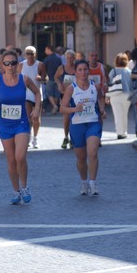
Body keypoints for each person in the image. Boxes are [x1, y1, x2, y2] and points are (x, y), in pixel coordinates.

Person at [0, 50, 41, 204]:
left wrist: (37, 109)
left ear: (18, 64)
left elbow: (37, 93)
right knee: (11, 160)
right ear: (2, 65)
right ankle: (16, 191)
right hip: (5, 125)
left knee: (20, 157)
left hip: (21, 123)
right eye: (7, 63)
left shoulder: (24, 79)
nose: (10, 66)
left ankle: (24, 187)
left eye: (13, 63)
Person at [59, 60, 106, 196]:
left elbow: (101, 98)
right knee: (81, 157)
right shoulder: (71, 88)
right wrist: (75, 109)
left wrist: (102, 109)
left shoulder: (95, 87)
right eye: (80, 69)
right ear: (75, 72)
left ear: (88, 71)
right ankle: (84, 181)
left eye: (85, 69)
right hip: (77, 125)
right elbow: (62, 108)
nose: (83, 72)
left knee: (92, 152)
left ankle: (93, 182)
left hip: (93, 123)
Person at [18, 46, 46, 149]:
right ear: (25, 54)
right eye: (28, 53)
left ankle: (35, 138)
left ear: (35, 54)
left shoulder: (40, 65)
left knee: (36, 117)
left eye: (32, 53)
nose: (30, 56)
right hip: (26, 94)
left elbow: (45, 78)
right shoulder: (21, 65)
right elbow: (17, 78)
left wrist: (41, 78)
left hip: (37, 94)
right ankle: (28, 138)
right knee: (28, 117)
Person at [107, 53, 133, 139]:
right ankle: (124, 132)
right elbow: (132, 84)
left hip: (115, 95)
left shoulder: (113, 71)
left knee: (117, 114)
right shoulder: (129, 71)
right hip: (127, 95)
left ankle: (119, 132)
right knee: (124, 114)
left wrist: (107, 96)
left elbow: (109, 83)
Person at [54, 49, 76, 148]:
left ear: (74, 58)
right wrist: (59, 84)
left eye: (72, 58)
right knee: (66, 116)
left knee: (75, 116)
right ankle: (66, 136)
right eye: (68, 58)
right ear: (65, 58)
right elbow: (55, 77)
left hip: (76, 94)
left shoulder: (77, 68)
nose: (70, 59)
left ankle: (73, 138)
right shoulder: (61, 68)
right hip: (65, 94)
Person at [43, 45, 62, 115]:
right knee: (56, 94)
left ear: (49, 49)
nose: (45, 51)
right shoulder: (58, 58)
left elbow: (43, 69)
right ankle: (55, 107)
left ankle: (54, 106)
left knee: (49, 93)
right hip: (58, 79)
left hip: (50, 78)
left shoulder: (47, 59)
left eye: (46, 49)